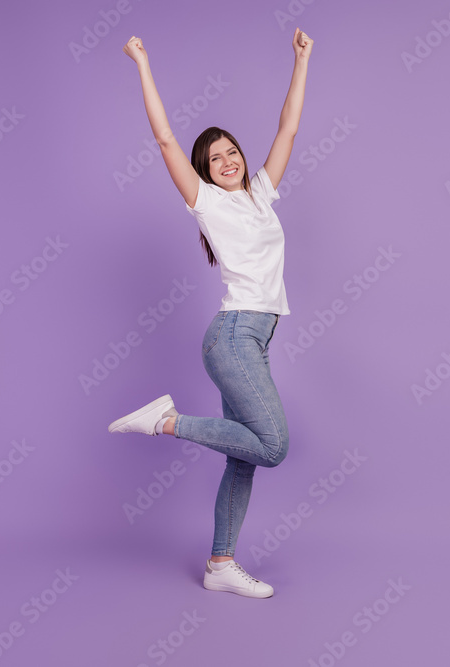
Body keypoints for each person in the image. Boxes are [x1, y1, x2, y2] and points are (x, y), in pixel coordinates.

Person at [109, 28, 313, 599]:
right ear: (204, 169)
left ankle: (220, 564)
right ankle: (165, 421)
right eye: (214, 157)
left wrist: (301, 61)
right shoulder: (208, 202)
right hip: (233, 337)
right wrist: (142, 62)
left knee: (242, 458)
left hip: (255, 339)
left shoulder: (260, 193)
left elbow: (289, 126)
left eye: (231, 152)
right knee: (272, 446)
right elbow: (166, 138)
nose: (226, 161)